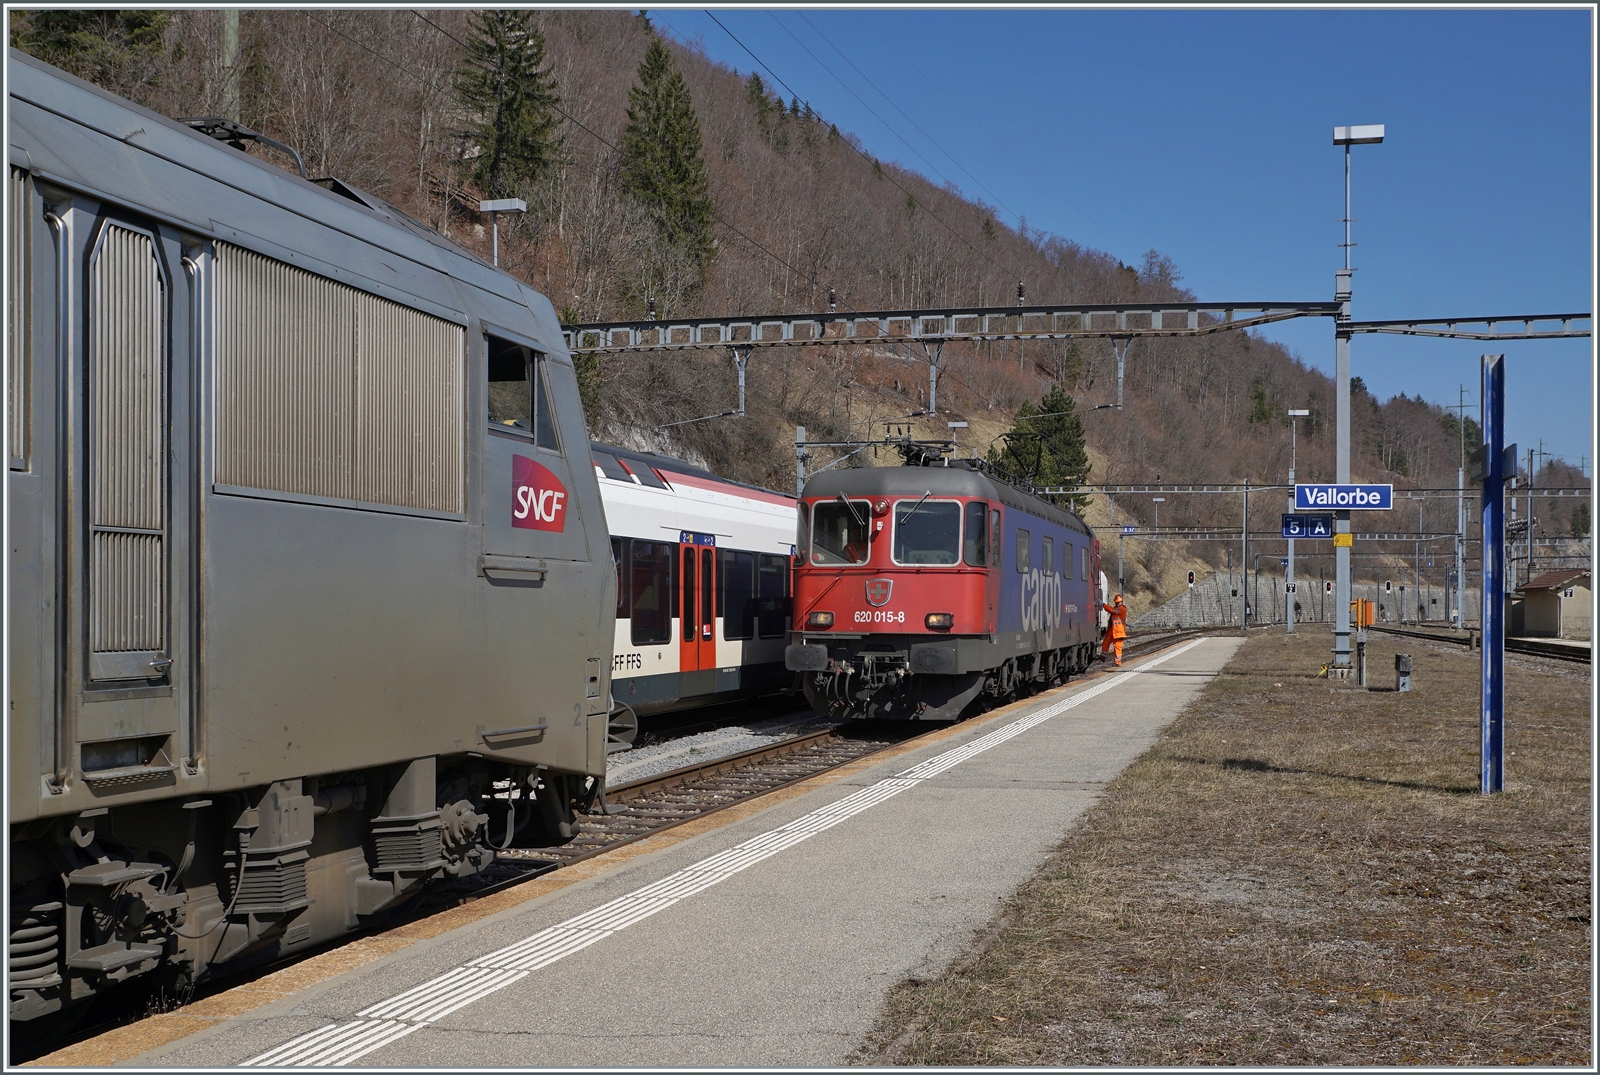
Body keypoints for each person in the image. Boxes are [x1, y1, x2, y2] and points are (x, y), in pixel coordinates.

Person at [1100, 593, 1128, 666]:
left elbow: (1112, 610)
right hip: (1113, 630)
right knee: (1106, 642)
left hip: (1119, 631)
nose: (1117, 603)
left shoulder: (1122, 608)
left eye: (1118, 602)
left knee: (1117, 647)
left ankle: (1117, 662)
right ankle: (1103, 656)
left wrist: (1103, 605)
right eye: (1117, 602)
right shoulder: (1118, 608)